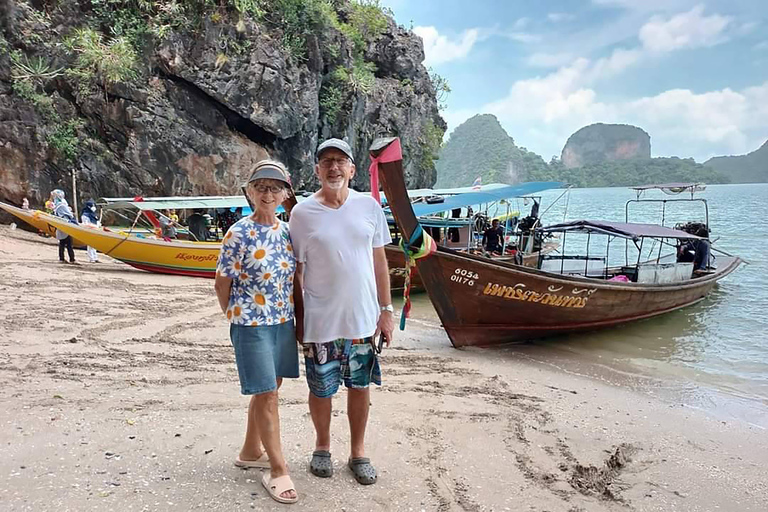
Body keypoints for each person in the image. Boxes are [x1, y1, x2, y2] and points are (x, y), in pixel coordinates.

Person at [289, 138, 394, 486]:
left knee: (360, 386)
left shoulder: (369, 207)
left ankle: (358, 452)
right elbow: (298, 271)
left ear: (352, 169)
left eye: (340, 161)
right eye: (326, 161)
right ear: (317, 170)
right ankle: (322, 446)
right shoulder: (301, 213)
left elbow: (379, 260)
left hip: (362, 319)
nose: (333, 167)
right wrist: (300, 319)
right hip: (321, 319)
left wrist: (386, 310)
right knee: (321, 388)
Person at [214, 159, 299, 504]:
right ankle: (278, 470)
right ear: (249, 191)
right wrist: (234, 315)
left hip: (282, 322)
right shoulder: (239, 232)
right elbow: (222, 282)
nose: (268, 193)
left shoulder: (288, 231)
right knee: (267, 394)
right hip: (250, 323)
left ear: (285, 193)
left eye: (275, 187)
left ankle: (251, 451)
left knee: (269, 388)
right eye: (261, 187)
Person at [50, 190, 78, 264]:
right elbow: (69, 214)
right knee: (69, 243)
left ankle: (62, 258)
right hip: (66, 225)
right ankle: (72, 259)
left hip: (60, 225)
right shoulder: (61, 205)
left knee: (62, 243)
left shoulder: (57, 205)